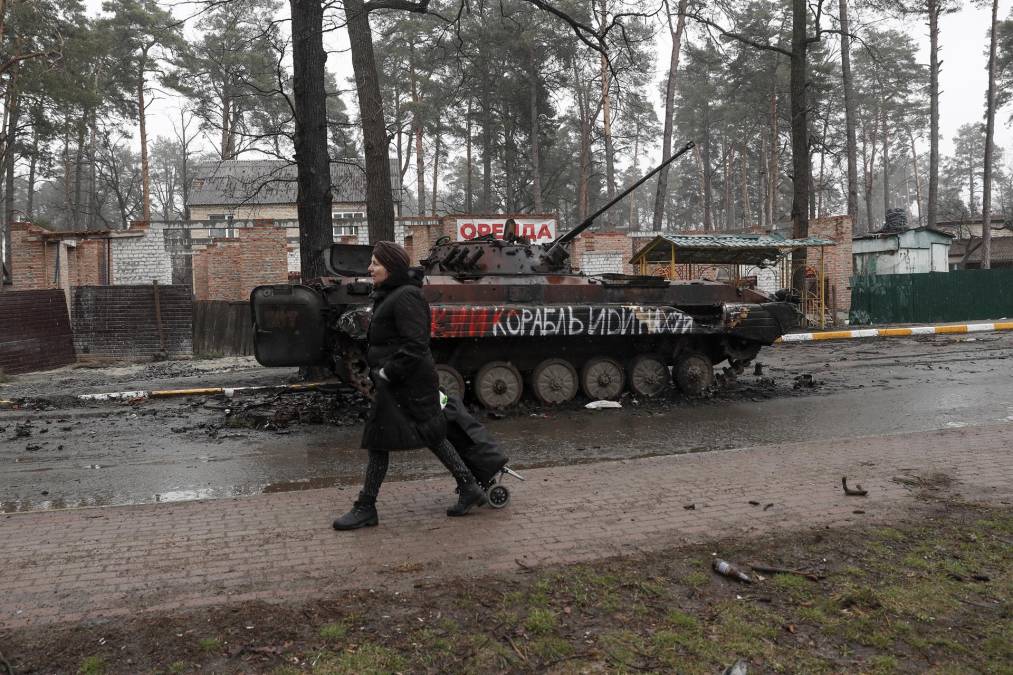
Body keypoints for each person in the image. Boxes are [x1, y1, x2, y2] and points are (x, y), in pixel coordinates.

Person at [332, 241, 488, 530]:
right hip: (404, 381)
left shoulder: (405, 297)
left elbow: (416, 343)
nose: (369, 268)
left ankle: (366, 507)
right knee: (430, 433)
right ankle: (468, 486)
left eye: (375, 263)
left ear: (391, 267)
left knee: (381, 440)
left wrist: (388, 373)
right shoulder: (392, 294)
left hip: (406, 382)